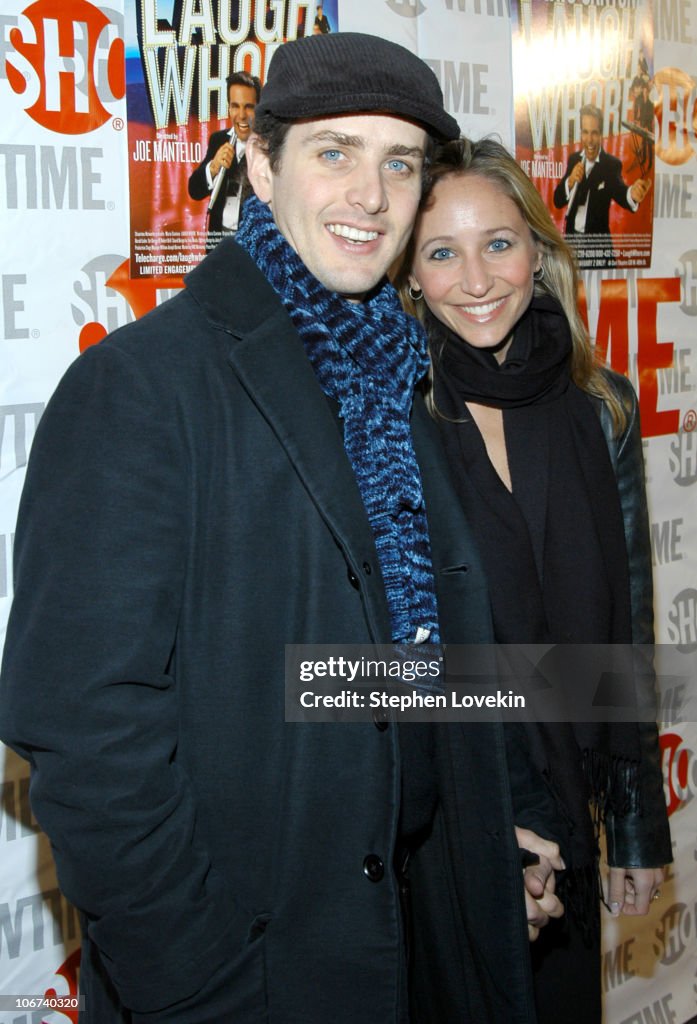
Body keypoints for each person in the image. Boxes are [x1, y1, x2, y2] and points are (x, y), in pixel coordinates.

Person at [0, 35, 561, 1024]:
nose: (371, 195)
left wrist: (484, 838)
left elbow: (396, 665)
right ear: (260, 165)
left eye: (398, 163)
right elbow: (89, 743)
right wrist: (204, 982)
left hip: (414, 935)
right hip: (253, 978)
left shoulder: (393, 374)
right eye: (333, 152)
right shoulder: (139, 386)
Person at [398, 136, 671, 1024]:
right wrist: (482, 841)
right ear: (408, 272)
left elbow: (621, 627)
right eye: (441, 252)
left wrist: (633, 825)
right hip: (439, 820)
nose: (476, 279)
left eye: (498, 244)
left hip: (567, 808)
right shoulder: (390, 416)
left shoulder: (602, 407)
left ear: (540, 253)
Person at [553, 104, 651, 236]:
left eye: (594, 133)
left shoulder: (611, 164)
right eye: (585, 132)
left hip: (597, 246)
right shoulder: (574, 159)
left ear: (601, 135)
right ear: (581, 133)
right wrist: (570, 182)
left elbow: (620, 190)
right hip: (572, 243)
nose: (590, 140)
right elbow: (558, 201)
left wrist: (632, 194)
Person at [187, 71, 261, 247]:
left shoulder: (269, 147)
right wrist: (213, 167)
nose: (241, 115)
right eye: (235, 106)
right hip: (219, 249)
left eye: (249, 107)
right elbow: (194, 190)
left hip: (252, 250)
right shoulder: (218, 140)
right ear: (229, 108)